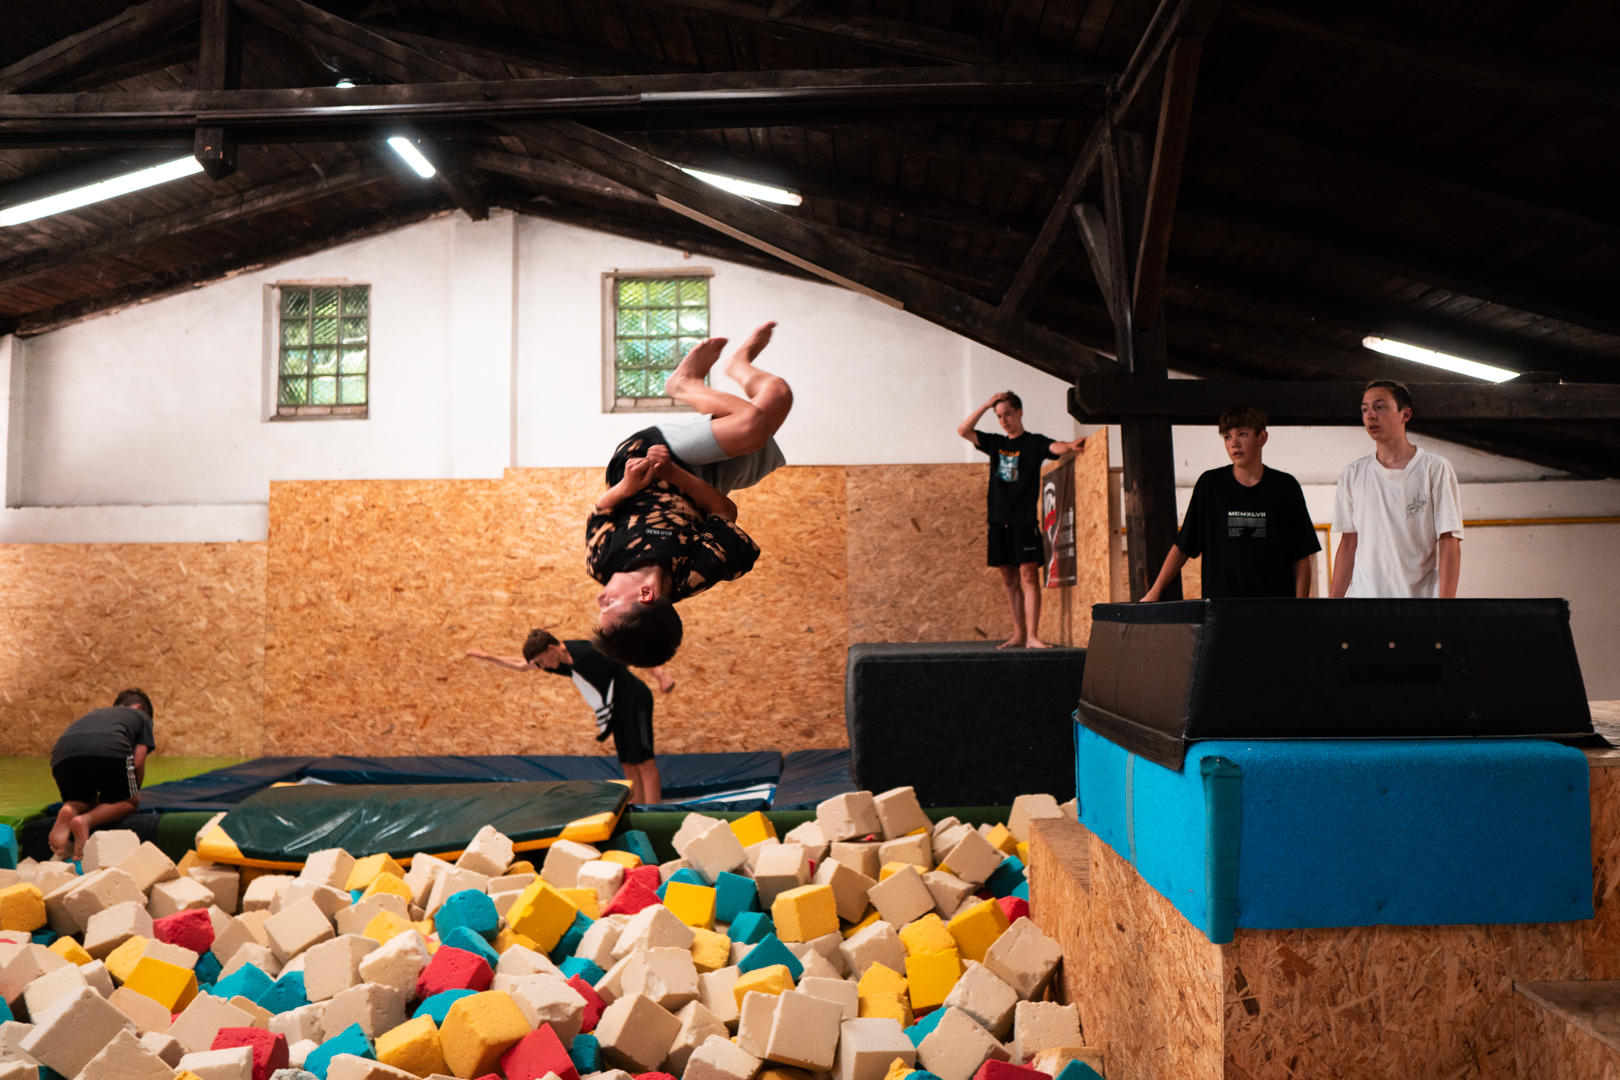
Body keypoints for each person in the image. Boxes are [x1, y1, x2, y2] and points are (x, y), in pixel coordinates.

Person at [587, 322, 792, 666]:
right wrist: (674, 474)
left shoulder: (602, 563)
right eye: (609, 606)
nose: (599, 599)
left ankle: (684, 385)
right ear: (647, 594)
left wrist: (628, 486)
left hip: (645, 459)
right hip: (692, 477)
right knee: (779, 396)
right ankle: (739, 365)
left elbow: (602, 510)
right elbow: (724, 511)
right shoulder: (694, 574)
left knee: (751, 425)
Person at [1141, 406, 1320, 600]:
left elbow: (1301, 555)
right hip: (1222, 610)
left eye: (1242, 434)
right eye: (1227, 437)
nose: (1234, 443)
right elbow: (1183, 546)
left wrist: (1299, 608)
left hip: (1275, 610)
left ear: (1262, 438)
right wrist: (1154, 591)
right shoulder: (1210, 485)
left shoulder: (1286, 487)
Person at [466, 630, 662, 804]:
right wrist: (485, 655)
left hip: (636, 700)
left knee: (644, 760)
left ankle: (654, 812)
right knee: (628, 761)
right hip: (615, 708)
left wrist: (660, 675)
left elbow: (630, 653)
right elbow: (521, 665)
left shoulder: (587, 651)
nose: (542, 667)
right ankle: (638, 806)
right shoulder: (560, 662)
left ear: (552, 648)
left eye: (541, 661)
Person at [958, 390, 1086, 648]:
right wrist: (987, 404)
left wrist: (1070, 446)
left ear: (1019, 412)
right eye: (999, 416)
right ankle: (1018, 633)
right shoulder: (995, 443)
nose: (1004, 420)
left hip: (1023, 521)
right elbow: (963, 430)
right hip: (998, 522)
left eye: (1008, 414)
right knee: (1008, 578)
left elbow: (1054, 447)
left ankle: (1032, 636)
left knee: (1028, 574)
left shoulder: (1033, 442)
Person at [1330, 379, 1463, 598]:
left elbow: (1449, 541)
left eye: (1380, 407)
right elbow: (1348, 544)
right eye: (1365, 409)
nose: (1371, 415)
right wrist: (1332, 606)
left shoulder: (1434, 468)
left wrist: (1444, 608)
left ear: (1405, 414)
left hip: (1419, 603)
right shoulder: (1352, 474)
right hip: (1365, 602)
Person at [48, 688, 155, 860]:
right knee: (128, 803)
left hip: (61, 755)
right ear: (139, 707)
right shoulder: (143, 718)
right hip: (110, 749)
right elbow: (138, 761)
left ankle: (68, 810)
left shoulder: (98, 714)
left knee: (84, 800)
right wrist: (132, 794)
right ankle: (84, 821)